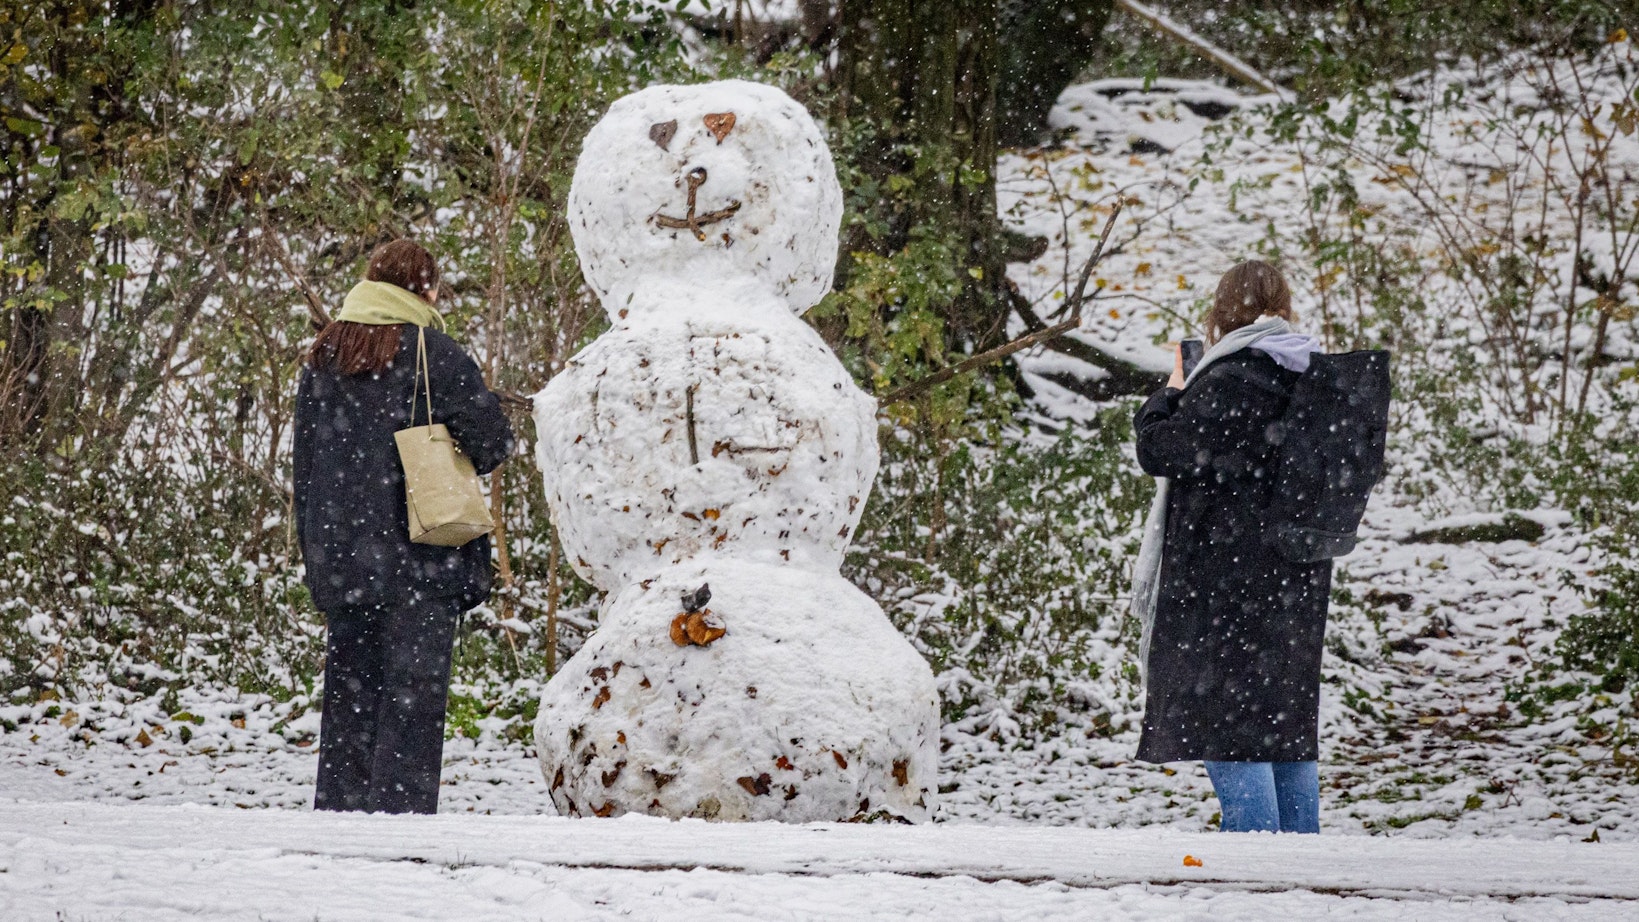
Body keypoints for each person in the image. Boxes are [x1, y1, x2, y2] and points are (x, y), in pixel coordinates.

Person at [293, 239, 514, 814]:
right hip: (422, 557)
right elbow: (492, 443)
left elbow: (306, 465)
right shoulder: (434, 354)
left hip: (344, 558)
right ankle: (401, 825)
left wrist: (318, 555)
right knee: (412, 703)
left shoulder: (322, 357)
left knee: (350, 699)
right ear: (425, 290)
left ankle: (340, 818)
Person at [1129, 259, 1329, 834]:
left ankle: (1257, 874)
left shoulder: (1232, 378)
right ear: (1284, 309)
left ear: (1220, 314)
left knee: (1227, 724)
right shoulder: (1308, 372)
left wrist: (1169, 393)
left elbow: (1161, 450)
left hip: (1226, 582)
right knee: (1285, 730)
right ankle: (1301, 874)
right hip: (1295, 580)